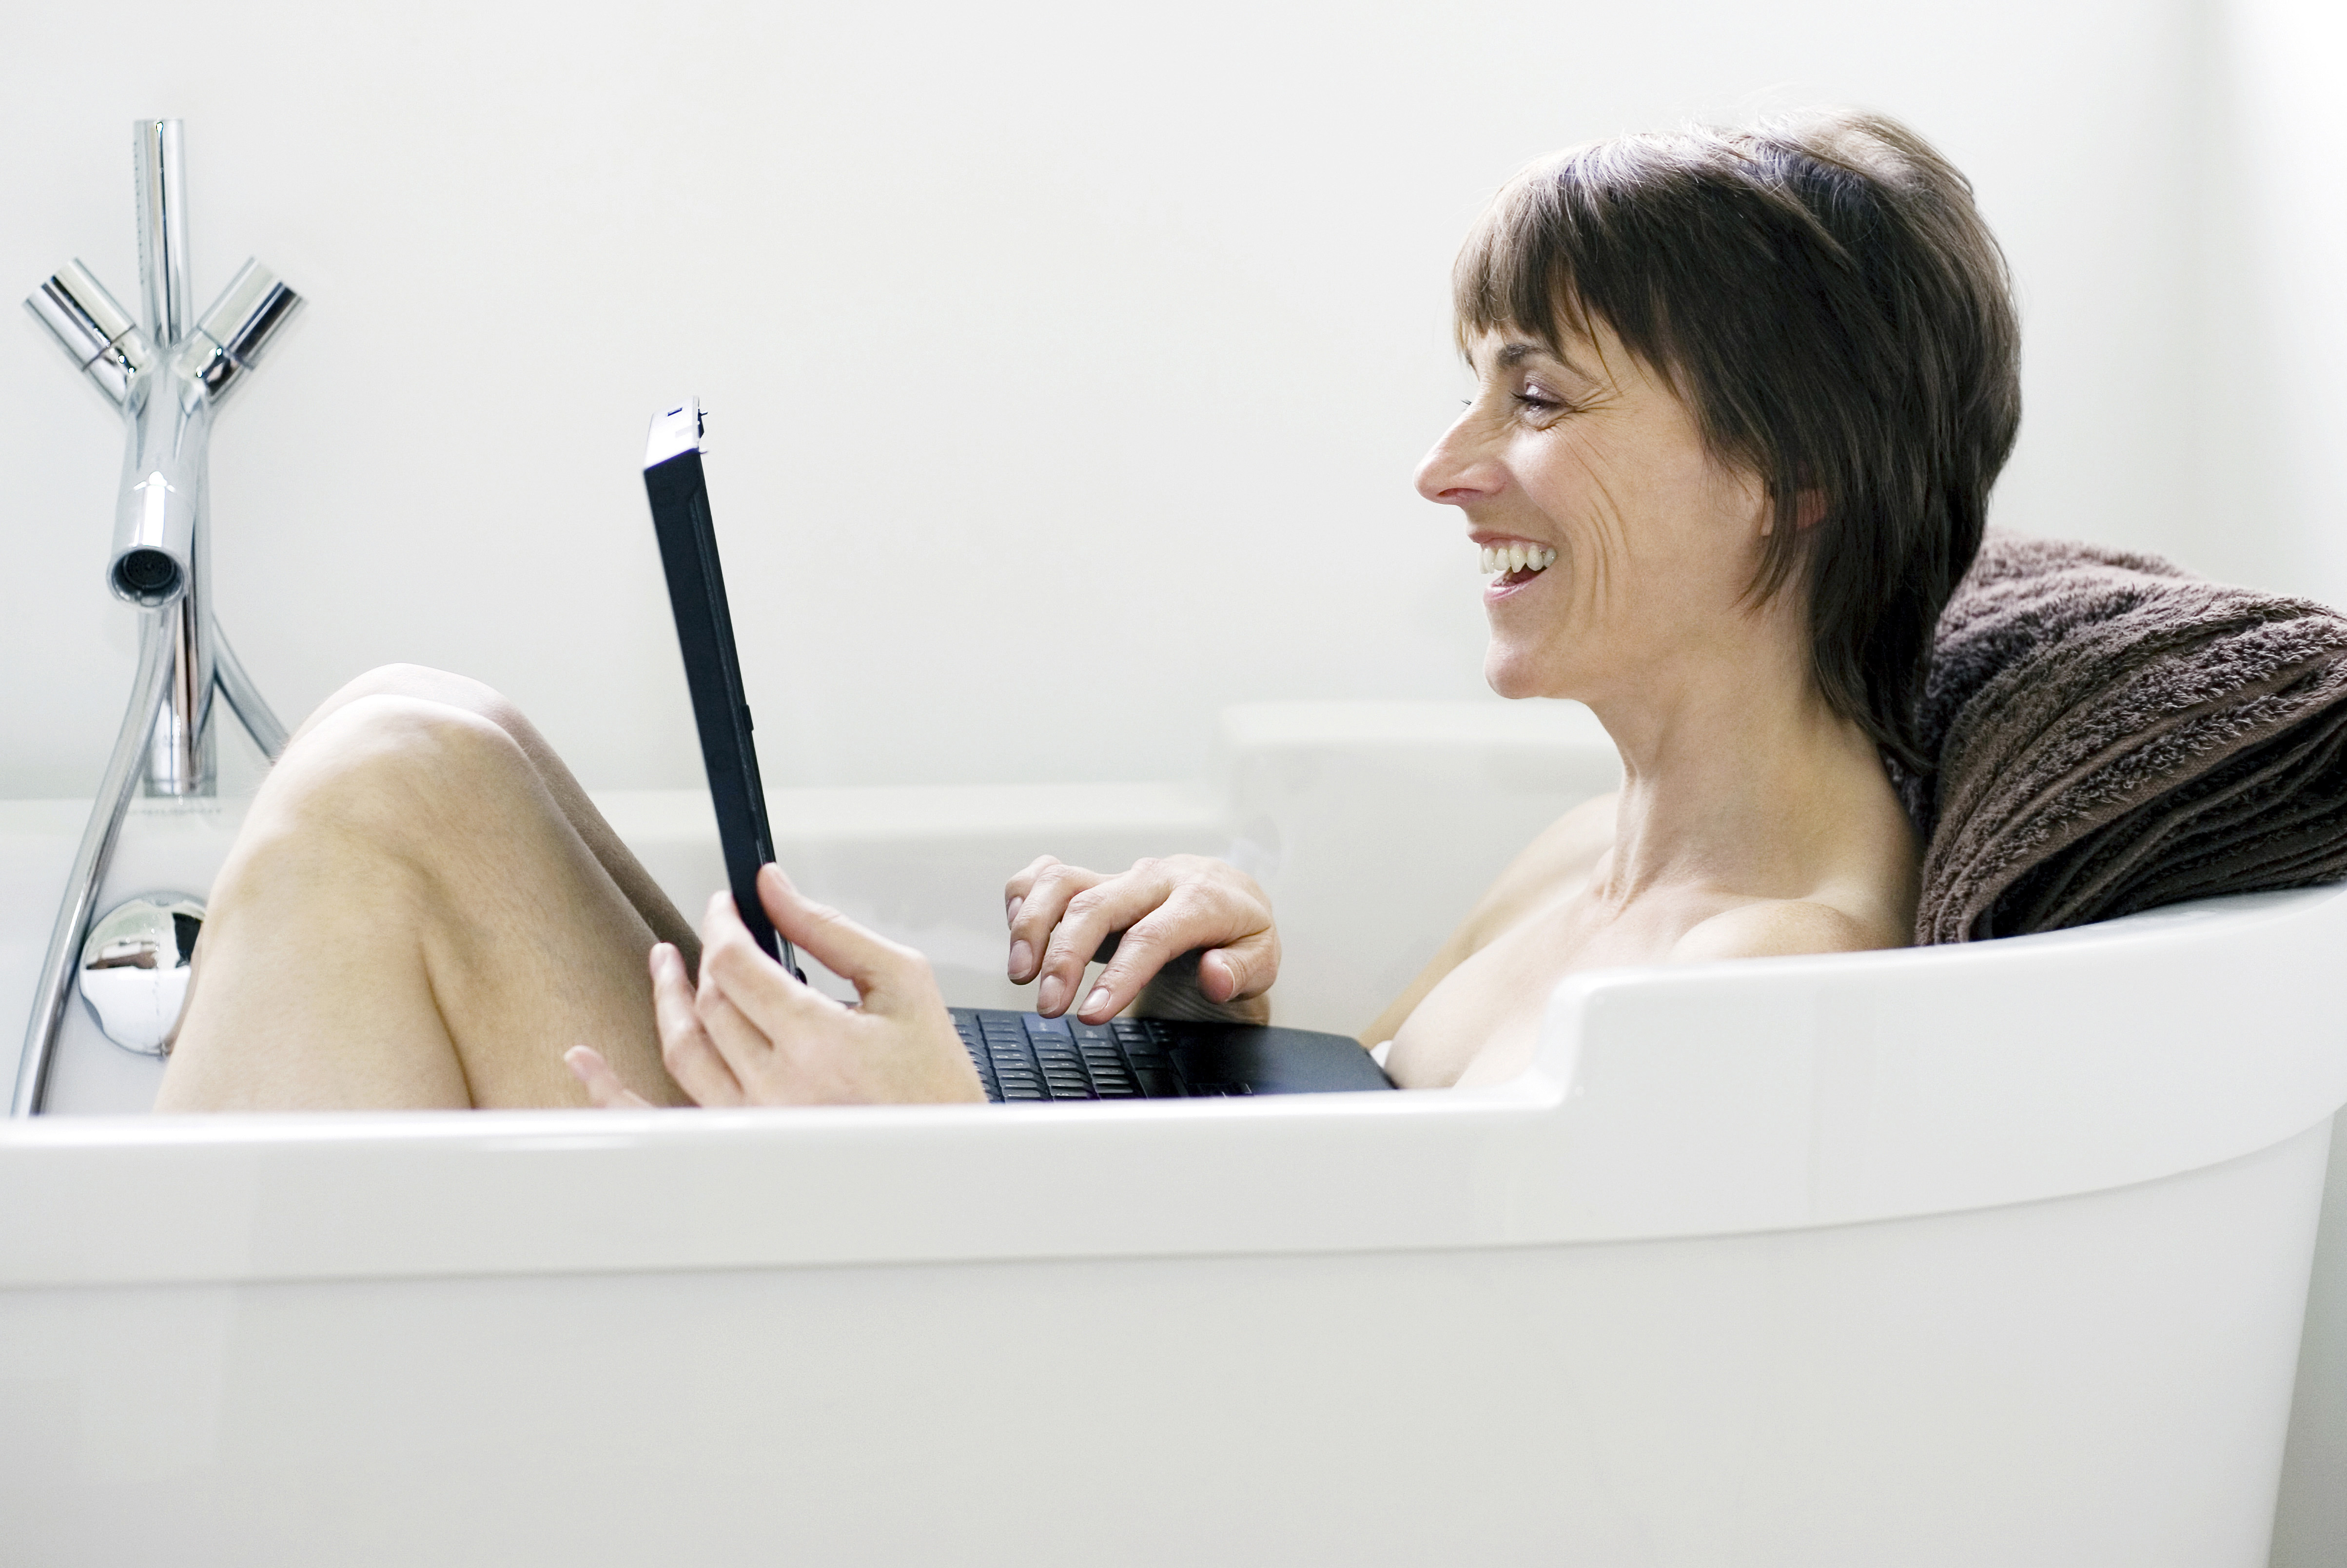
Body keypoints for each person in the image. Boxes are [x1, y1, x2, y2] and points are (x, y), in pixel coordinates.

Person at [155, 109, 2019, 1112]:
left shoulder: (1766, 976)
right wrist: (1233, 1024)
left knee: (386, 797)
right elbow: (1379, 1181)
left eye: (1535, 400)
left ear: (1787, 476)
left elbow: (1411, 1414)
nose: (1447, 468)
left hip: (1011, 1381)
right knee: (427, 745)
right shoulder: (1585, 865)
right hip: (1008, 1286)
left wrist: (933, 1164)